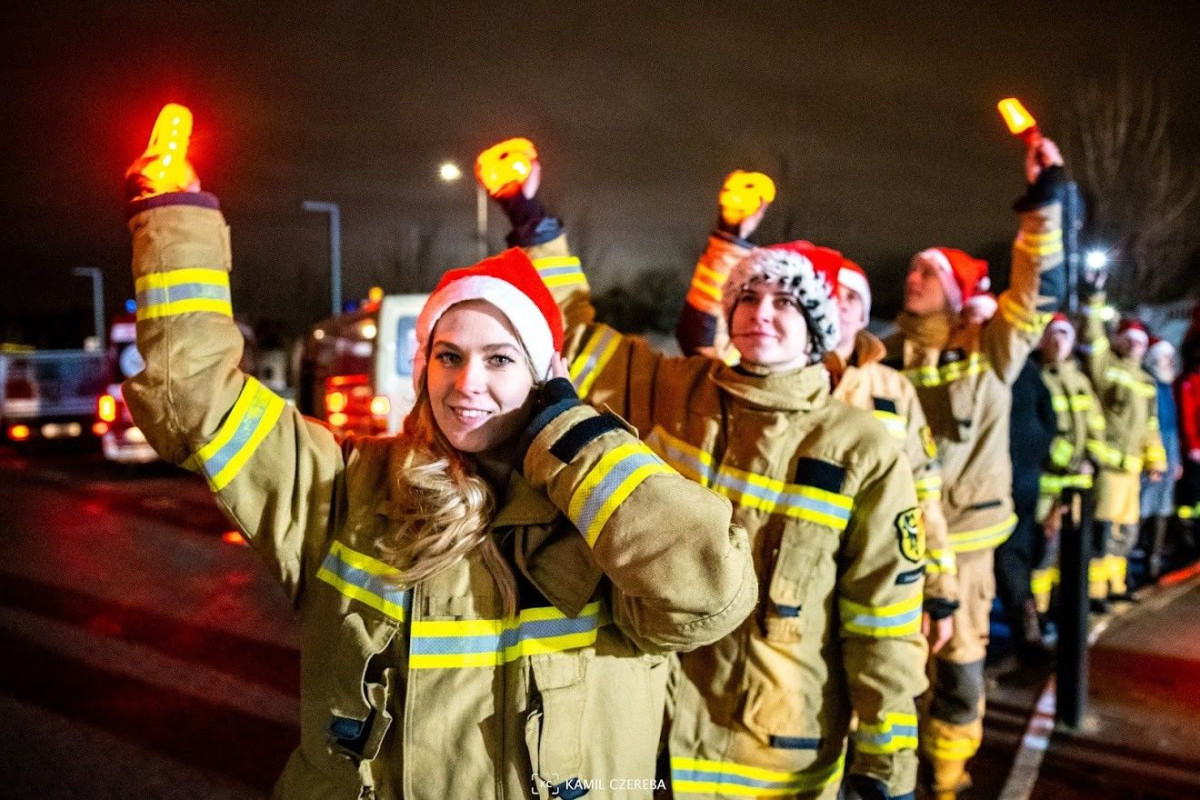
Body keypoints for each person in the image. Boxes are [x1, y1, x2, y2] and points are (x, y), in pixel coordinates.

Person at [120, 127, 757, 799]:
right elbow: (195, 404)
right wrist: (175, 218)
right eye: (448, 356)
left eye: (500, 359)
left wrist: (572, 441)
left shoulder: (601, 507)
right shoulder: (346, 487)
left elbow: (709, 598)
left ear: (547, 377)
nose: (466, 383)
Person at [488, 160, 929, 800]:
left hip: (773, 761)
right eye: (746, 297)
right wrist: (530, 215)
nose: (761, 313)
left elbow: (883, 623)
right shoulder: (675, 391)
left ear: (818, 328)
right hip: (652, 742)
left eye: (785, 302)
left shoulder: (860, 448)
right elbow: (576, 331)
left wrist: (887, 768)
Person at [879, 137, 1066, 798]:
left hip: (968, 546)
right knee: (894, 669)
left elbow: (1038, 291)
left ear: (956, 292)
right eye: (912, 271)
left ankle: (949, 777)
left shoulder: (990, 351)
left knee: (959, 667)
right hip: (897, 543)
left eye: (929, 273)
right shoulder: (887, 356)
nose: (914, 277)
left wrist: (1045, 204)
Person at [827, 258, 959, 655]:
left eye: (851, 295)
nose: (840, 303)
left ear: (864, 313)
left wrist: (938, 587)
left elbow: (923, 491)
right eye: (830, 291)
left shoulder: (894, 389)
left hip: (879, 569)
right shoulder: (784, 374)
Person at [1078, 295, 1168, 608]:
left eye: (1139, 342)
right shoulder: (1108, 369)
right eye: (1128, 340)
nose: (1134, 347)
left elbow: (1150, 426)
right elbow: (1094, 339)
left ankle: (1115, 585)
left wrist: (1155, 460)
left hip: (1131, 472)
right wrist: (1094, 302)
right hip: (1109, 467)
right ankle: (1094, 592)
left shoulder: (1146, 382)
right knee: (1102, 533)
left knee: (1124, 533)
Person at [1029, 314, 1104, 626]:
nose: (1059, 341)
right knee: (1043, 553)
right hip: (1048, 483)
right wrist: (1065, 459)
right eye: (1053, 334)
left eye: (1065, 335)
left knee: (1069, 555)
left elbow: (1095, 425)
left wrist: (1094, 459)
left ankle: (1062, 608)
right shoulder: (1036, 378)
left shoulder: (1081, 381)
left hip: (1078, 484)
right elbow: (1038, 432)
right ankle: (1038, 613)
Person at [995, 351, 1057, 666]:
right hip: (1013, 476)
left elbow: (1049, 420)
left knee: (1013, 557)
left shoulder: (1021, 368)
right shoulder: (1023, 367)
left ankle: (1025, 634)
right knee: (1013, 557)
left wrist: (1030, 452)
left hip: (1016, 479)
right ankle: (1026, 634)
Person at [1138, 338, 1181, 582]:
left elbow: (1172, 424)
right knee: (1145, 501)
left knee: (1163, 503)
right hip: (1154, 446)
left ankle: (1153, 559)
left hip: (1169, 443)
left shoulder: (1167, 386)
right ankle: (1139, 557)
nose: (1168, 362)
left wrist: (1175, 459)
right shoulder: (1149, 382)